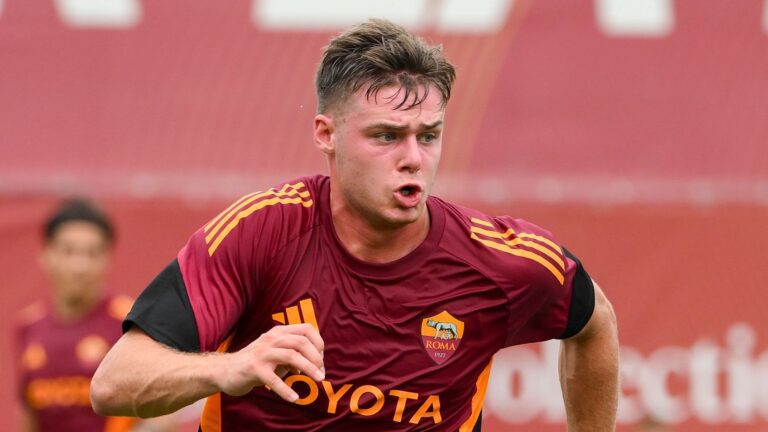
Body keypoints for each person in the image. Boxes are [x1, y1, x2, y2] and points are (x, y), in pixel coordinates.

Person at [90, 19, 619, 431]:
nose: (413, 159)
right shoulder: (262, 232)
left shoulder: (502, 261)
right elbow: (114, 384)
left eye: (428, 136)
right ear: (327, 134)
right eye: (386, 136)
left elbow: (594, 324)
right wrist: (229, 369)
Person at [14, 199, 177, 432]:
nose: (80, 265)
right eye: (69, 251)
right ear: (46, 254)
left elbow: (163, 421)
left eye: (92, 253)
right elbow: (29, 417)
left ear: (107, 258)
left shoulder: (132, 322)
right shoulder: (29, 326)